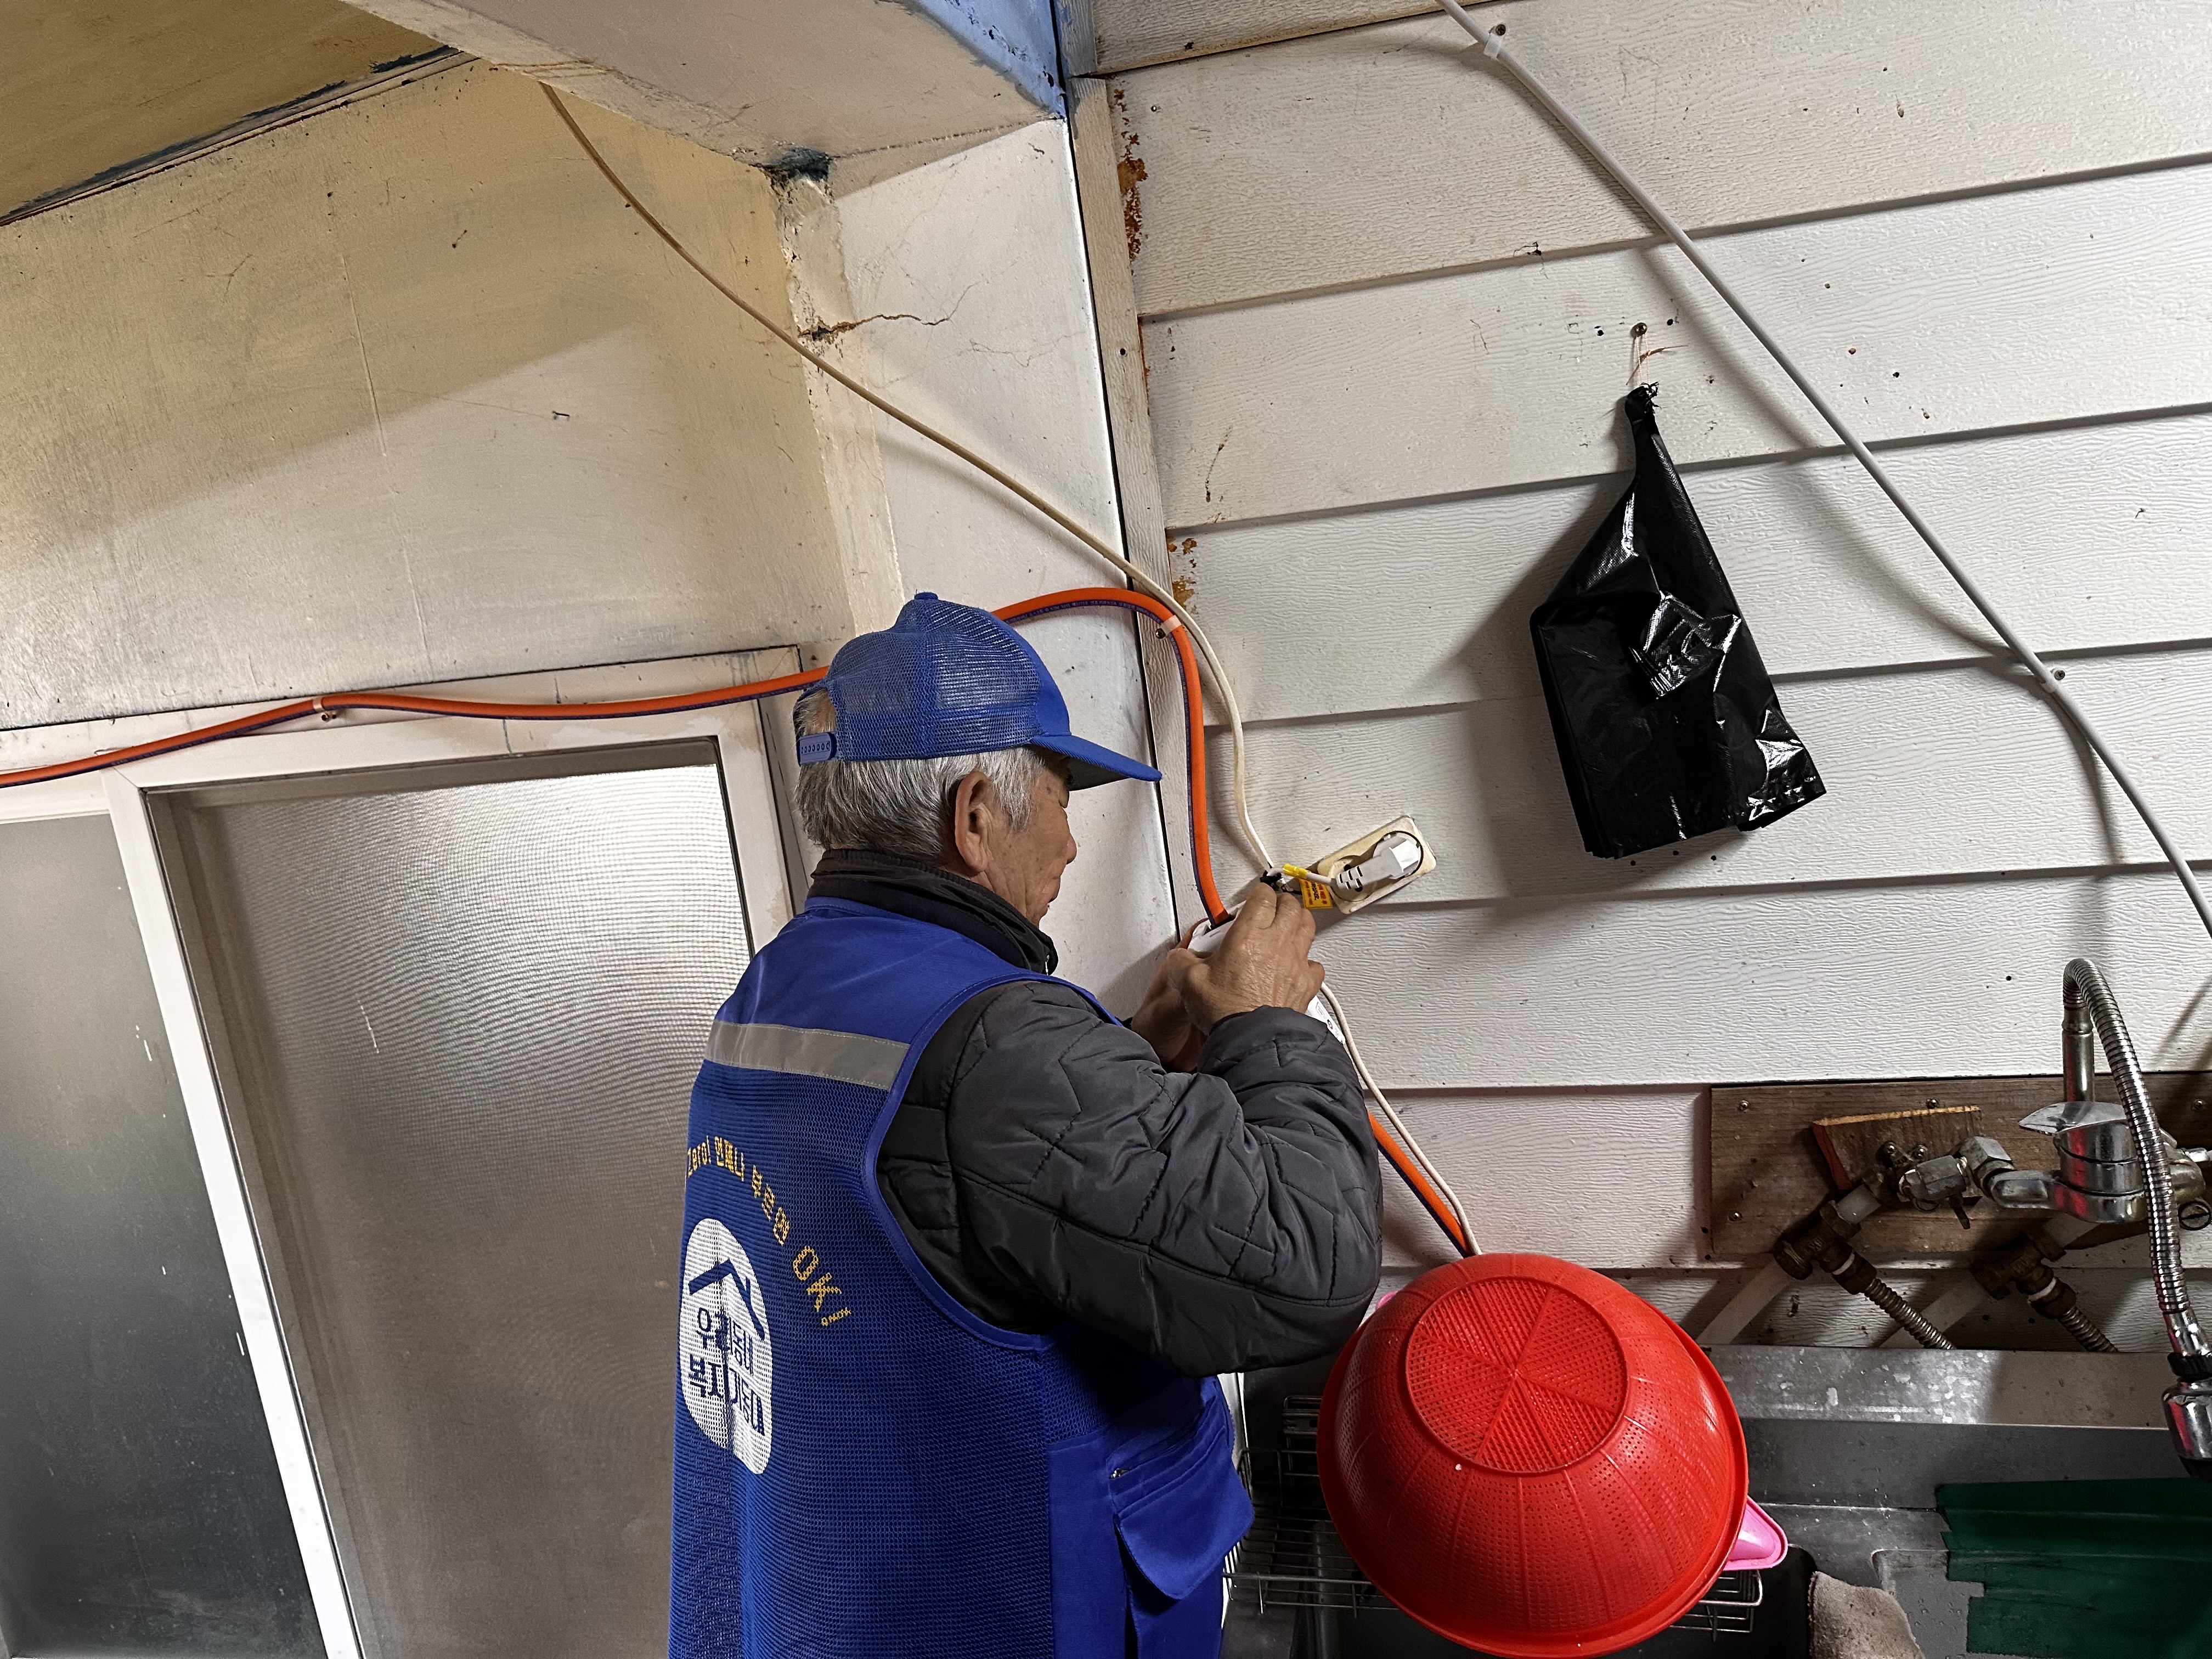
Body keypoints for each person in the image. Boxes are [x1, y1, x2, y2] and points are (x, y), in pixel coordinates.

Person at [671, 593, 1380, 1659]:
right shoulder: (1003, 1046)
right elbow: (1307, 1266)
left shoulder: (777, 985)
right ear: (974, 817)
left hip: (854, 1587)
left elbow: (946, 1195)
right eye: (1058, 797)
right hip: (1020, 1603)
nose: (1072, 843)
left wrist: (1124, 1062)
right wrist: (1266, 1022)